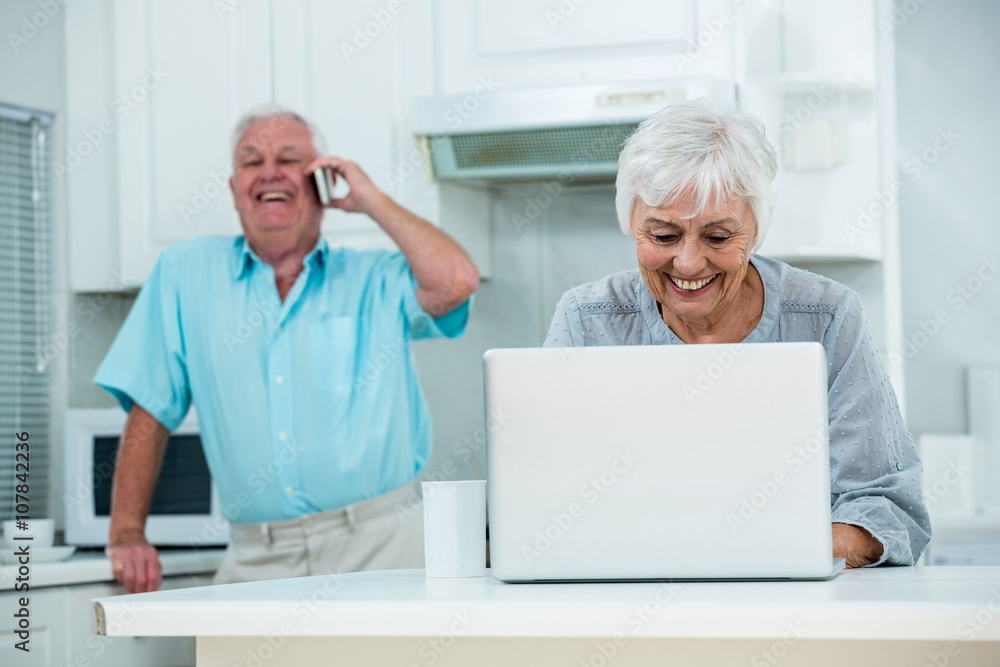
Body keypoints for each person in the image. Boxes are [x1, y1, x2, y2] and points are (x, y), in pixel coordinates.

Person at [95, 106, 479, 593]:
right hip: (258, 557)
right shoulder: (184, 274)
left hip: (383, 547)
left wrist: (372, 199)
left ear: (322, 180)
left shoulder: (375, 278)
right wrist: (127, 532)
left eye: (289, 158)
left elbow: (457, 281)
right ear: (235, 189)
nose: (269, 172)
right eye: (250, 161)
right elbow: (150, 408)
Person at [544, 98, 931, 568]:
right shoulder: (588, 319)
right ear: (632, 226)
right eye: (663, 236)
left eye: (718, 237)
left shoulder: (827, 316)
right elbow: (545, 500)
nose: (687, 263)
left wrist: (750, 550)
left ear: (756, 228)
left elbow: (887, 510)